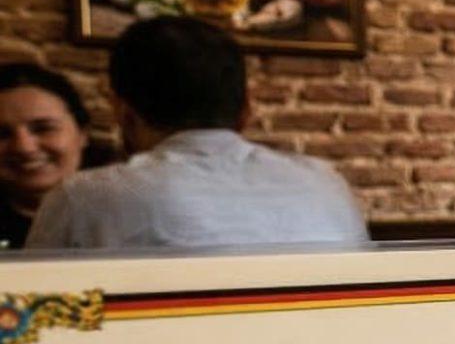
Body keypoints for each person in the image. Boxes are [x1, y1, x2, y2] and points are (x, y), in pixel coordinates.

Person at [28, 19, 366, 250]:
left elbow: (32, 326)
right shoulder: (326, 182)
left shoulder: (81, 199)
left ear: (123, 113)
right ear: (247, 108)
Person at [0, 64, 92, 249]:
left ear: (83, 134)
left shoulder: (121, 213)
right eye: (2, 134)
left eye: (43, 128)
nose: (24, 147)